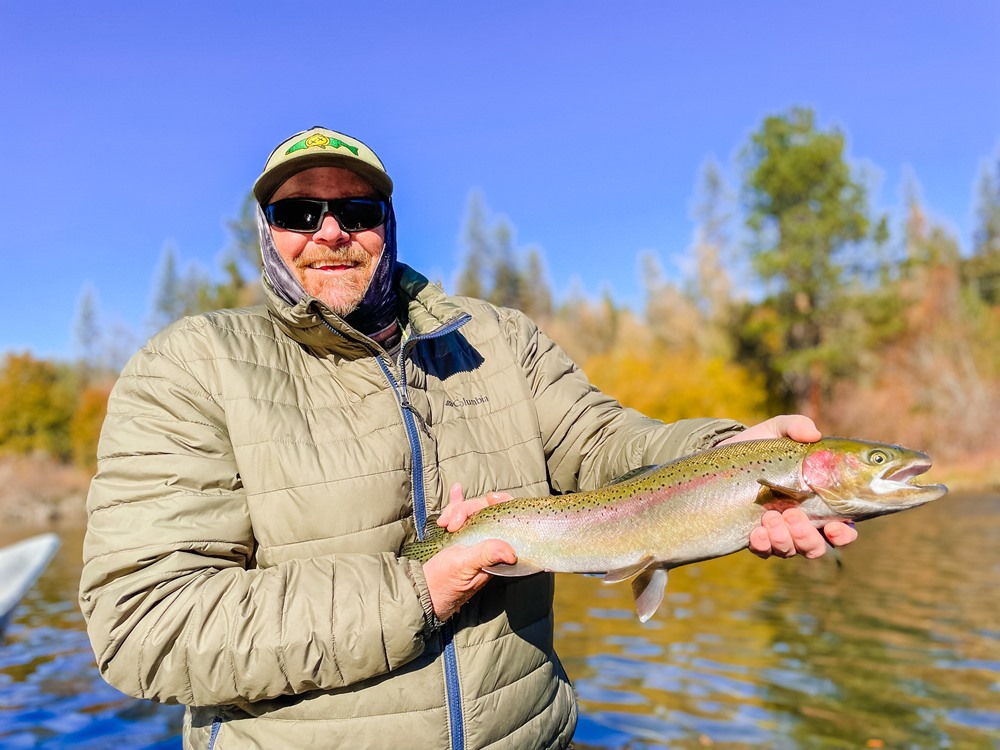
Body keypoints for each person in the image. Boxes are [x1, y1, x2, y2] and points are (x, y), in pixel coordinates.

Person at [79, 126, 858, 750]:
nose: (329, 232)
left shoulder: (495, 337)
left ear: (386, 226)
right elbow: (145, 625)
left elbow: (604, 441)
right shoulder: (190, 367)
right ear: (266, 232)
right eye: (297, 213)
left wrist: (732, 453)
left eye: (357, 212)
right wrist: (420, 588)